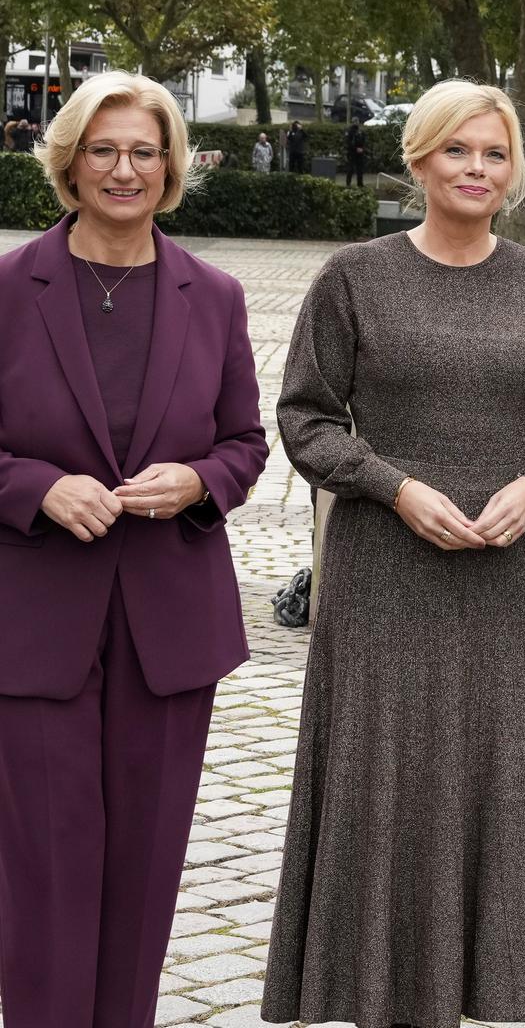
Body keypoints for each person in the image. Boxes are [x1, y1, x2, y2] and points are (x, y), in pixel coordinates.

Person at [263, 78, 525, 1027]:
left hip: (500, 577)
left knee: (493, 776)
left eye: (494, 154)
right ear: (418, 160)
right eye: (457, 151)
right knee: (382, 775)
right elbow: (306, 419)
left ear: (514, 170)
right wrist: (394, 486)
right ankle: (371, 992)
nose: (477, 170)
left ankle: (486, 987)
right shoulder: (354, 276)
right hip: (379, 571)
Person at [0, 70, 268, 1025]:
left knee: (146, 877)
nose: (124, 170)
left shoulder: (217, 294)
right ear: (69, 162)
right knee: (46, 872)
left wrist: (201, 482)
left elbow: (245, 441)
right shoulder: (7, 286)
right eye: (103, 150)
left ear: (170, 167)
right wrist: (36, 486)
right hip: (34, 626)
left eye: (144, 152)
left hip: (171, 627)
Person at [343, 115, 368, 187]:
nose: (356, 123)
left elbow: (363, 140)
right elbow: (348, 143)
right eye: (355, 121)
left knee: (360, 169)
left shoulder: (360, 131)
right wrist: (355, 149)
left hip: (360, 152)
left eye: (357, 121)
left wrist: (362, 148)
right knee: (350, 168)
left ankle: (360, 184)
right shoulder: (350, 131)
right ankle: (348, 183)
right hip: (352, 153)